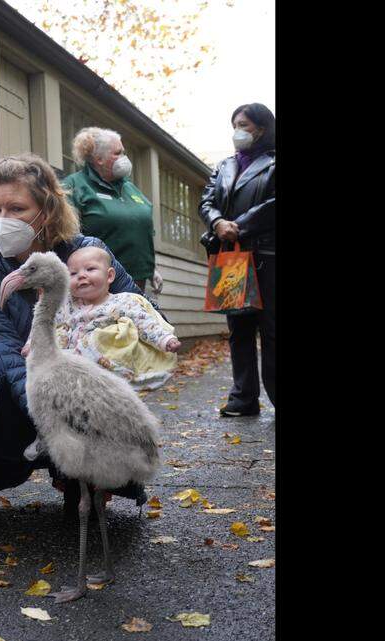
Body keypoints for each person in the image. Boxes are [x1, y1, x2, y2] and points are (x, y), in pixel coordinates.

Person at [0, 153, 149, 554]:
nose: (3, 219)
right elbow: (4, 352)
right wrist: (51, 420)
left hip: (85, 402)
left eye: (17, 208)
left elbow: (141, 316)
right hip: (20, 408)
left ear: (46, 210)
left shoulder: (88, 257)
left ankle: (83, 481)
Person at [22, 246, 180, 462]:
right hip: (68, 373)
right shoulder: (64, 306)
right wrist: (31, 344)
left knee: (101, 415)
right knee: (52, 405)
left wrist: (165, 339)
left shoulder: (121, 302)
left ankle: (119, 446)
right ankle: (45, 437)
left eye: (90, 269)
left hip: (102, 372)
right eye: (74, 273)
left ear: (110, 276)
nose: (82, 276)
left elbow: (145, 321)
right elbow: (43, 322)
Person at [197, 103, 276, 417]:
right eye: (234, 124)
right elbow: (206, 200)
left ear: (261, 127)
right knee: (238, 327)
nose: (237, 131)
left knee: (271, 329)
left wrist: (238, 225)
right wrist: (217, 223)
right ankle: (243, 399)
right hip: (230, 257)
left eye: (243, 124)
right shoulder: (224, 165)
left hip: (267, 256)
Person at [62, 127, 164, 298]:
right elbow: (67, 237)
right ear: (99, 159)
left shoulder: (129, 188)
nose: (124, 158)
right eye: (118, 153)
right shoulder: (74, 187)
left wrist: (151, 268)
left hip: (138, 281)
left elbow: (142, 230)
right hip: (101, 284)